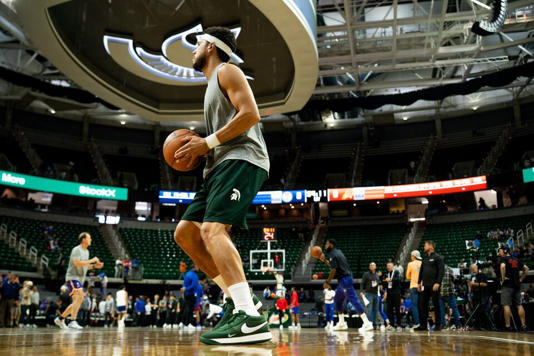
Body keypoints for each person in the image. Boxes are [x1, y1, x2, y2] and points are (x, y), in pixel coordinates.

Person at [172, 26, 270, 345]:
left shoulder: (228, 70)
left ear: (211, 47)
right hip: (219, 165)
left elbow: (251, 114)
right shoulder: (211, 85)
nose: (194, 49)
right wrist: (202, 147)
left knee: (213, 229)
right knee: (186, 232)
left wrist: (207, 142)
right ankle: (240, 299)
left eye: (197, 43)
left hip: (243, 157)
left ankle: (249, 317)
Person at [319, 238, 373, 332]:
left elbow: (333, 270)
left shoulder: (332, 254)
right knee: (337, 300)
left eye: (326, 244)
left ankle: (367, 323)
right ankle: (341, 323)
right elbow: (334, 266)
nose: (325, 246)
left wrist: (327, 282)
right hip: (344, 280)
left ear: (331, 245)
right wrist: (324, 261)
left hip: (345, 280)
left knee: (353, 300)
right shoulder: (338, 252)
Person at [54, 232, 103, 330]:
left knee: (78, 300)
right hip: (73, 277)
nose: (91, 240)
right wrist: (92, 260)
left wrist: (94, 266)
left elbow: (84, 265)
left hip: (80, 279)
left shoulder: (87, 252)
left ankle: (60, 318)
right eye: (89, 238)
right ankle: (72, 321)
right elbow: (77, 263)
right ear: (84, 239)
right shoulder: (76, 250)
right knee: (80, 297)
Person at [499, 245, 529, 331]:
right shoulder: (516, 259)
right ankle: (523, 325)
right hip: (516, 285)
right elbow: (526, 269)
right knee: (519, 305)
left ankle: (508, 326)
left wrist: (503, 277)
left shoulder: (504, 259)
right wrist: (521, 279)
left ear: (505, 251)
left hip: (507, 285)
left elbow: (502, 267)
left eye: (500, 251)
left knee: (506, 305)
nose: (499, 253)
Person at [416, 240, 444, 331]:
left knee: (436, 305)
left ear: (431, 246)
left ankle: (438, 325)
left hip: (434, 285)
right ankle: (423, 325)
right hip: (425, 286)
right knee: (422, 305)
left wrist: (438, 283)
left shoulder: (438, 257)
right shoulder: (424, 259)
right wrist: (419, 282)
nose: (424, 247)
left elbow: (441, 271)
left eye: (425, 245)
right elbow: (421, 272)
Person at [468, 264, 496, 330]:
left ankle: (491, 326)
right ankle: (478, 326)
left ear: (477, 268)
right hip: (476, 295)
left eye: (473, 269)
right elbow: (471, 286)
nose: (472, 270)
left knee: (485, 311)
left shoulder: (482, 275)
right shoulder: (472, 277)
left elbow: (485, 284)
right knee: (477, 311)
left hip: (484, 295)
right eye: (471, 269)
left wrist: (474, 284)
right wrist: (470, 293)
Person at [438, 261, 461, 330]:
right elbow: (454, 279)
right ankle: (458, 324)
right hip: (449, 292)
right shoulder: (449, 269)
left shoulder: (437, 269)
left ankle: (443, 325)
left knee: (441, 310)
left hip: (440, 293)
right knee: (454, 308)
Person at [361, 262, 380, 330]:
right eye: (371, 265)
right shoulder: (366, 274)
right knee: (369, 309)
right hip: (368, 294)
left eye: (373, 265)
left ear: (375, 267)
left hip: (376, 294)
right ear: (369, 267)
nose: (372, 266)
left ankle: (375, 325)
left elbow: (378, 283)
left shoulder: (377, 275)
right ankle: (368, 324)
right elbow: (362, 283)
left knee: (375, 310)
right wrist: (362, 291)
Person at [406, 250, 422, 329]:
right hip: (421, 287)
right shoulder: (422, 263)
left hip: (413, 287)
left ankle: (417, 323)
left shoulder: (410, 264)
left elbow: (407, 276)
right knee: (421, 305)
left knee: (415, 306)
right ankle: (423, 323)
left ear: (413, 256)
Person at [384, 262, 402, 331]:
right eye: (387, 266)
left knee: (397, 309)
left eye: (389, 265)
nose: (388, 267)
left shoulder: (396, 272)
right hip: (389, 294)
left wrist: (391, 279)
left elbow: (398, 280)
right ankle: (391, 325)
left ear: (393, 266)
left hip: (396, 293)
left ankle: (399, 325)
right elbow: (383, 282)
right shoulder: (386, 273)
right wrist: (385, 280)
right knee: (389, 310)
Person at [183, 265, 200, 330]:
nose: (198, 268)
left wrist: (185, 288)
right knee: (190, 309)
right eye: (197, 267)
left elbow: (184, 284)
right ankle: (190, 323)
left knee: (186, 308)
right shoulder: (194, 275)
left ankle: (185, 323)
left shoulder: (187, 274)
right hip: (191, 294)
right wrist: (187, 289)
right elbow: (194, 285)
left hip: (186, 294)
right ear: (194, 268)